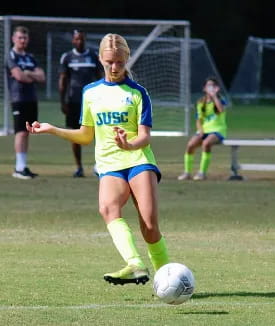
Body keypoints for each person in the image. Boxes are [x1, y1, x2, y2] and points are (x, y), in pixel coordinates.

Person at [27, 33, 169, 284]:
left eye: (119, 62)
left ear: (126, 60)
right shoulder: (91, 93)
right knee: (107, 209)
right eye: (108, 62)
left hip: (138, 161)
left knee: (149, 226)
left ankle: (167, 278)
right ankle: (135, 264)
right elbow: (85, 136)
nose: (114, 67)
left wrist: (129, 143)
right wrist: (52, 129)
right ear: (101, 60)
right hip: (109, 165)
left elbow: (145, 137)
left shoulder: (138, 94)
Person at [59, 30, 103, 177]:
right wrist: (62, 101)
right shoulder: (67, 57)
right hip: (74, 101)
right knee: (75, 134)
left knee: (100, 132)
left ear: (85, 39)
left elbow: (100, 77)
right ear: (73, 41)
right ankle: (79, 167)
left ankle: (101, 165)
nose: (80, 41)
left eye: (82, 39)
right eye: (77, 39)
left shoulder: (93, 56)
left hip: (93, 101)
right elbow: (63, 81)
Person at [6, 26, 45, 179]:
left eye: (25, 38)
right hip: (19, 98)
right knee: (20, 132)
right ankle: (19, 167)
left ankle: (23, 165)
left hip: (31, 98)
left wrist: (29, 74)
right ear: (13, 39)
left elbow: (42, 77)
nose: (22, 40)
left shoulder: (30, 57)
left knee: (28, 132)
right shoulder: (11, 56)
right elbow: (19, 76)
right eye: (19, 38)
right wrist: (30, 75)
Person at [177, 77, 227, 181]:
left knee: (206, 143)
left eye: (213, 85)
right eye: (208, 85)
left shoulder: (220, 100)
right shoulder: (201, 102)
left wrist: (214, 97)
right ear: (204, 88)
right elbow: (199, 120)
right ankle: (187, 172)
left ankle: (202, 173)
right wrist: (200, 130)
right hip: (205, 130)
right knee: (190, 145)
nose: (210, 88)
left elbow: (221, 110)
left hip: (218, 130)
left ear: (217, 88)